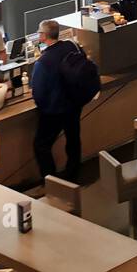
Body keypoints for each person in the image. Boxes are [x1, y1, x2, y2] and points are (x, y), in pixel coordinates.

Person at [30, 20, 84, 182]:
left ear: (44, 36)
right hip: (74, 104)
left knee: (41, 145)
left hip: (54, 110)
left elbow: (38, 93)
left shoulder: (43, 62)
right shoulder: (71, 46)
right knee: (73, 138)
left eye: (39, 32)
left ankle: (52, 181)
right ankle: (73, 174)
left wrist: (43, 107)